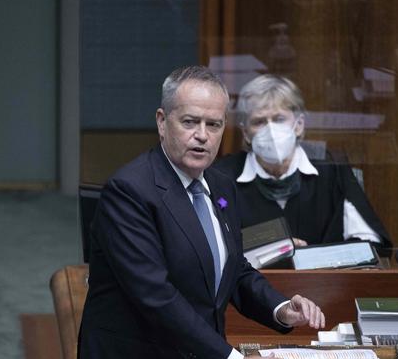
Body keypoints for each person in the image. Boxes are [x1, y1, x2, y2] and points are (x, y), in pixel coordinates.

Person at [78, 66, 325, 359]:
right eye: (190, 122)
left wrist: (281, 309)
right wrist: (229, 356)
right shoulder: (129, 191)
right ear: (162, 122)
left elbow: (234, 268)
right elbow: (156, 296)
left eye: (214, 124)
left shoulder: (221, 184)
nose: (202, 136)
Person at [213, 74, 391, 251]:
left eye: (279, 119)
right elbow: (214, 243)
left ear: (299, 125)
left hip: (323, 277)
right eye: (259, 122)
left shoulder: (331, 168)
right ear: (245, 133)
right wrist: (272, 245)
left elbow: (369, 241)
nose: (271, 130)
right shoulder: (222, 176)